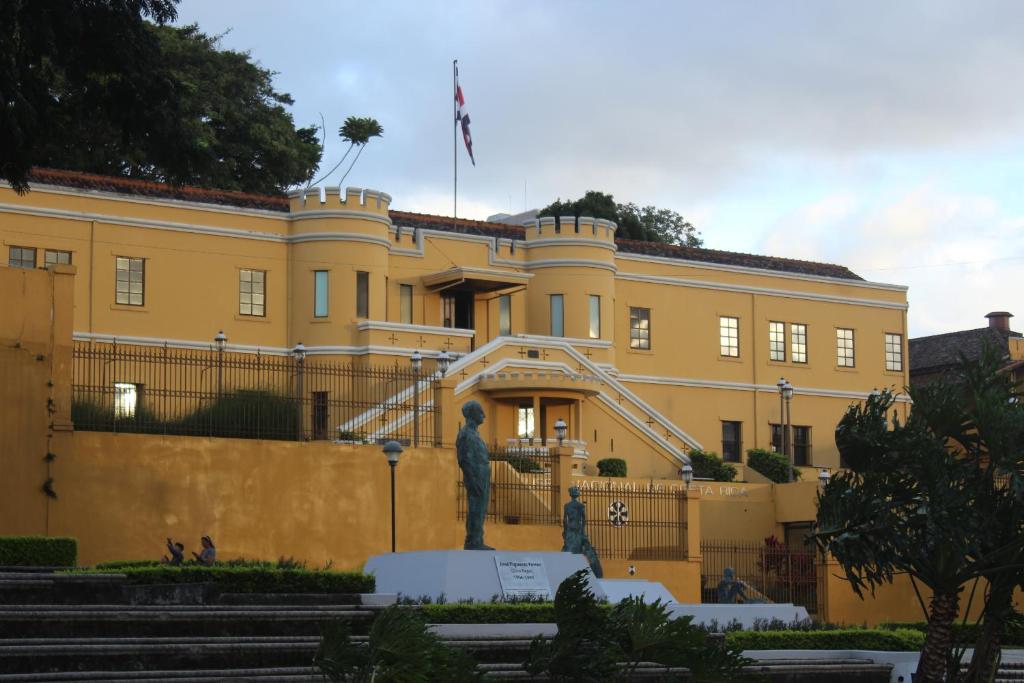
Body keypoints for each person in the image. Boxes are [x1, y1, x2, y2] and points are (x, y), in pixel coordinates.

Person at [455, 400, 493, 550]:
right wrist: (472, 479)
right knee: (476, 508)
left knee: (481, 509)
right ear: (472, 414)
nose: (484, 415)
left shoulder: (475, 434)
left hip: (482, 475)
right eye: (480, 411)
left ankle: (478, 539)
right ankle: (473, 541)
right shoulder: (465, 434)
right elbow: (463, 459)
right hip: (475, 476)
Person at [561, 486, 603, 578]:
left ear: (570, 494)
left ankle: (568, 572)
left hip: (570, 530)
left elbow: (564, 520)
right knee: (579, 551)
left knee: (568, 551)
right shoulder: (581, 506)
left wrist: (565, 531)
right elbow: (584, 520)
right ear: (577, 494)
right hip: (578, 530)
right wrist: (583, 531)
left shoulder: (567, 506)